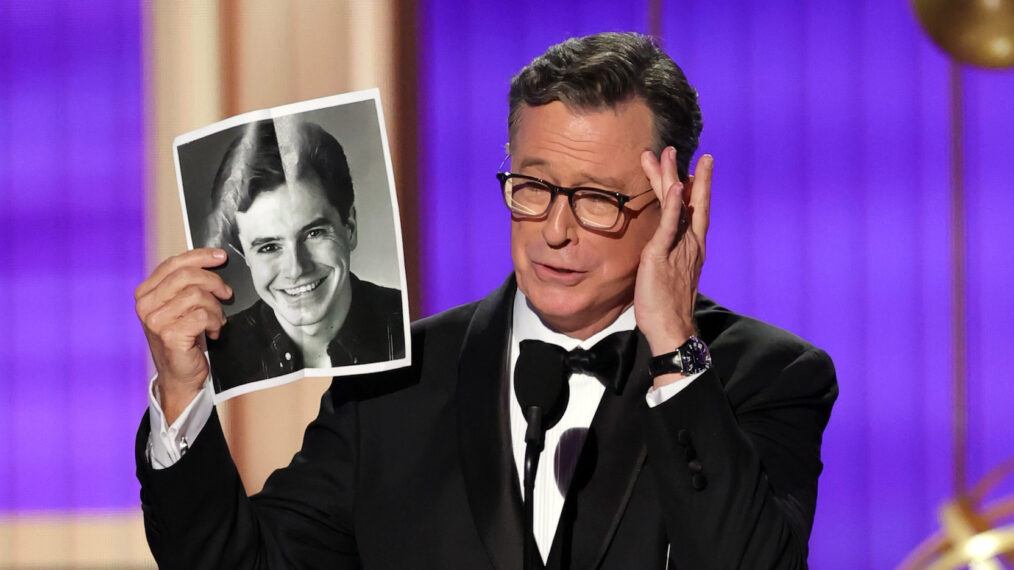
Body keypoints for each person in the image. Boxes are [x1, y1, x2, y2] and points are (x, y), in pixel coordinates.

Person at [134, 32, 837, 568]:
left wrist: (675, 350)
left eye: (596, 199)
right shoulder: (392, 383)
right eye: (533, 189)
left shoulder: (766, 376)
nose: (555, 232)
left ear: (675, 204)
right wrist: (182, 396)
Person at [198, 118, 405, 392]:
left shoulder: (413, 323)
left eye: (314, 233)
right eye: (269, 247)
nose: (296, 269)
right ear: (244, 255)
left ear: (350, 228)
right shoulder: (211, 359)